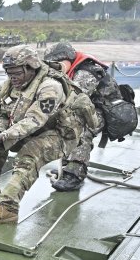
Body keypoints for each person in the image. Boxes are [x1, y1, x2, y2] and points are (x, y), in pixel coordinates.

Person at [0, 45, 96, 224]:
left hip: (60, 134)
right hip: (33, 129)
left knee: (30, 153)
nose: (13, 77)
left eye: (17, 72)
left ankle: (8, 207)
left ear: (31, 67)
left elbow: (35, 119)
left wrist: (3, 136)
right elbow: (2, 114)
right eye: (9, 72)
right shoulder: (8, 86)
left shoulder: (51, 87)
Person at [43, 41, 125, 191]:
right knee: (66, 124)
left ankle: (75, 175)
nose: (55, 68)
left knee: (80, 130)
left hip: (107, 111)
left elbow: (74, 99)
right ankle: (67, 168)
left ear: (68, 59)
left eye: (58, 63)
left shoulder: (87, 72)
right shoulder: (70, 70)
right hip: (90, 107)